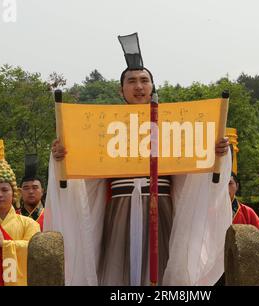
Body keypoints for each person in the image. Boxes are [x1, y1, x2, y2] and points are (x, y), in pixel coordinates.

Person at [46, 33, 232, 285]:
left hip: (161, 205)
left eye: (144, 80)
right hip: (120, 207)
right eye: (131, 81)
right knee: (119, 273)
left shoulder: (171, 124)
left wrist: (216, 151)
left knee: (163, 268)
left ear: (153, 87)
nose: (139, 86)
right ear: (121, 89)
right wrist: (60, 157)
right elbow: (81, 170)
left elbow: (193, 163)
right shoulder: (104, 126)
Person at [16, 155, 45, 231]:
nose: (31, 191)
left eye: (35, 188)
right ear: (20, 192)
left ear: (42, 191)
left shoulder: (52, 216)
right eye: (26, 188)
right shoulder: (13, 217)